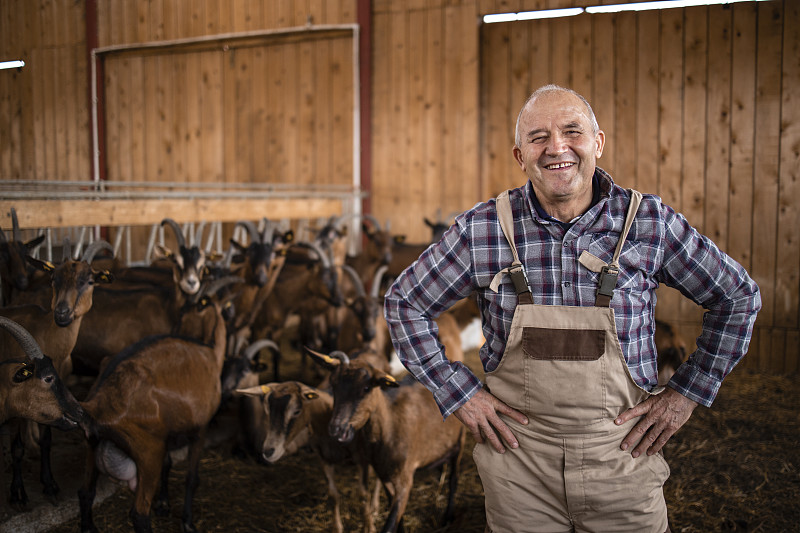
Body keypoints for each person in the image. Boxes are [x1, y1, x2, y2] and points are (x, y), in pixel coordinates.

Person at [383, 84, 761, 532]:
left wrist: (685, 395)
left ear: (598, 142)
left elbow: (737, 296)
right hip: (518, 468)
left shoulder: (648, 223)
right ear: (520, 155)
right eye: (537, 137)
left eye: (571, 131)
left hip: (623, 460)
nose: (556, 148)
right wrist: (460, 394)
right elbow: (404, 301)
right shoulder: (482, 230)